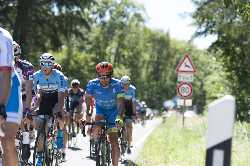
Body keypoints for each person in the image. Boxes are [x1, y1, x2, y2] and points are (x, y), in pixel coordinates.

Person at [85, 61, 125, 166]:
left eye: (107, 76)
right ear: (97, 76)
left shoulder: (117, 84)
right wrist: (88, 113)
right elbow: (88, 98)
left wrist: (119, 117)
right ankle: (97, 143)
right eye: (101, 76)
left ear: (111, 76)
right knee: (96, 127)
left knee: (114, 141)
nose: (104, 79)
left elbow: (121, 103)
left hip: (113, 111)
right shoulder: (92, 83)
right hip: (100, 110)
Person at [30, 53, 65, 165]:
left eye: (48, 64)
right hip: (44, 98)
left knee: (60, 115)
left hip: (56, 97)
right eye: (42, 64)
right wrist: (34, 106)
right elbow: (37, 93)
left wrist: (58, 108)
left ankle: (59, 132)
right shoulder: (36, 76)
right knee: (41, 129)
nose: (45, 66)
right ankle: (40, 155)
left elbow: (61, 95)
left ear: (52, 65)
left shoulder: (59, 76)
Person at [0, 27, 22, 166]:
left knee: (7, 141)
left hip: (9, 88)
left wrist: (1, 106)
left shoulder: (3, 37)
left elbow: (5, 76)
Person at [13, 41, 35, 164]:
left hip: (24, 94)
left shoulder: (27, 67)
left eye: (15, 58)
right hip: (8, 93)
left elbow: (29, 89)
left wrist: (27, 108)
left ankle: (26, 140)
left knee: (22, 116)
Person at [120, 75, 136, 154]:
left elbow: (133, 102)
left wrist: (134, 113)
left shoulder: (132, 89)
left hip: (129, 107)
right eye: (124, 84)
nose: (126, 86)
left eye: (127, 84)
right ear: (121, 84)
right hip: (120, 106)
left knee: (129, 127)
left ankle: (129, 145)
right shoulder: (119, 88)